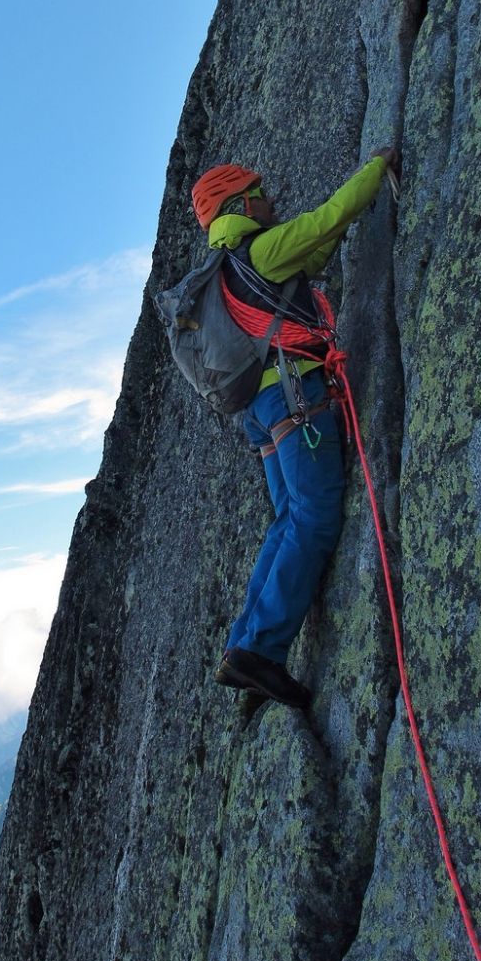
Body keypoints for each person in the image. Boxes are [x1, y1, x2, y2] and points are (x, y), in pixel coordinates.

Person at [191, 148, 398, 708]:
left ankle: (246, 650)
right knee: (314, 516)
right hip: (292, 396)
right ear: (241, 204)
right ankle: (259, 649)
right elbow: (328, 218)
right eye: (261, 193)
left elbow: (313, 252)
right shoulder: (262, 249)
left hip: (260, 412)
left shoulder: (232, 267)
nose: (271, 199)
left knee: (287, 519)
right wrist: (378, 168)